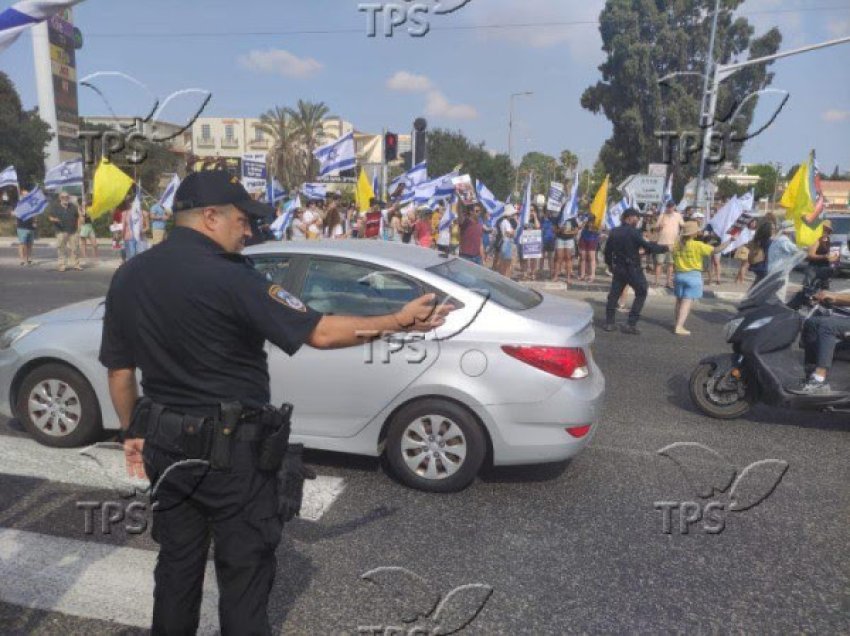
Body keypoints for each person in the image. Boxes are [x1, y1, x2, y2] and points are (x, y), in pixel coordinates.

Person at [99, 171, 453, 635]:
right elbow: (321, 333)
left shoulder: (130, 274)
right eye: (243, 221)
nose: (249, 232)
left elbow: (120, 373)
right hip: (232, 457)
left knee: (176, 570)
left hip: (165, 447)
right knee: (243, 575)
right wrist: (400, 320)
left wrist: (132, 433)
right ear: (210, 217)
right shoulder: (234, 278)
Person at [603, 208, 669, 335]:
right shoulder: (634, 232)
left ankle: (609, 323)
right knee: (641, 291)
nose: (638, 220)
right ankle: (631, 323)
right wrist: (664, 248)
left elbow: (607, 251)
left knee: (614, 295)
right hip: (632, 268)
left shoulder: (614, 231)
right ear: (629, 218)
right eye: (636, 217)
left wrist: (610, 265)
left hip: (619, 267)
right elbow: (648, 246)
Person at [671, 221, 732, 335]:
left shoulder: (677, 245)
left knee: (679, 301)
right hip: (693, 276)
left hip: (679, 275)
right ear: (693, 233)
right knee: (686, 302)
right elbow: (715, 250)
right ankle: (679, 326)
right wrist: (729, 241)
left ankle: (677, 323)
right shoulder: (697, 245)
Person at [48, 190, 81, 272]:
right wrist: (54, 219)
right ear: (60, 198)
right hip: (61, 231)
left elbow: (78, 217)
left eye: (67, 197)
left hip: (73, 230)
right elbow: (50, 217)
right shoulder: (55, 206)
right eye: (63, 197)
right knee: (61, 249)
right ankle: (62, 265)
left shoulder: (73, 206)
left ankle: (76, 264)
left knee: (75, 248)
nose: (65, 198)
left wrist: (78, 228)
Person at [654, 201, 684, 288]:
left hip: (673, 243)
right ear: (666, 207)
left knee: (670, 264)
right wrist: (659, 227)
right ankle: (656, 282)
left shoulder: (678, 215)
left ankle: (668, 282)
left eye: (671, 206)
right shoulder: (662, 215)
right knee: (659, 263)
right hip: (661, 243)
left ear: (674, 206)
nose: (670, 208)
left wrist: (680, 235)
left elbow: (683, 225)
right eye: (668, 206)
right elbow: (655, 228)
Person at [553, 215, 578, 285]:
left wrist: (568, 233)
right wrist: (560, 230)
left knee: (568, 258)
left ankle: (568, 278)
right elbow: (554, 230)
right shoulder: (558, 217)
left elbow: (576, 231)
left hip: (569, 240)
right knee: (558, 258)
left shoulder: (572, 218)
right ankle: (556, 276)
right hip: (560, 239)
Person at [495, 205, 518, 277]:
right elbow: (509, 233)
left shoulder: (505, 221)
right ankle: (505, 276)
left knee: (506, 261)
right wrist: (514, 231)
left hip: (506, 241)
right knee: (506, 262)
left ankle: (504, 276)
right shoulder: (505, 222)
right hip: (507, 242)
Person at [577, 214, 600, 283]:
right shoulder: (585, 216)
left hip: (592, 239)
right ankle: (582, 275)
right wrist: (585, 222)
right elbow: (579, 226)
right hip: (583, 238)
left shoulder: (598, 216)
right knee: (583, 257)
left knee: (591, 257)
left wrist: (593, 227)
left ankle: (592, 275)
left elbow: (599, 230)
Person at [16, 192, 35, 266]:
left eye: (27, 194)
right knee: (22, 244)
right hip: (22, 227)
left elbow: (34, 214)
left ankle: (29, 258)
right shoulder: (19, 204)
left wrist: (35, 221)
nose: (26, 196)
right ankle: (22, 259)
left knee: (30, 244)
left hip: (31, 227)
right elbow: (15, 213)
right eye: (24, 195)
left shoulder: (31, 204)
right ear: (21, 196)